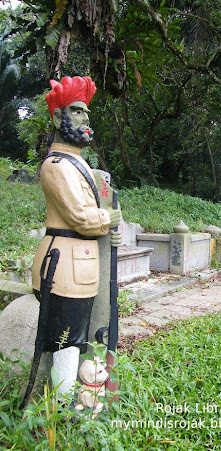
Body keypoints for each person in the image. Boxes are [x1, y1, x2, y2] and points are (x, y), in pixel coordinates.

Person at [30, 76, 121, 398]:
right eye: (78, 111)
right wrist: (109, 218)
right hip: (64, 265)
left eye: (86, 112)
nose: (86, 118)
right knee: (66, 339)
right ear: (58, 117)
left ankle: (74, 396)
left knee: (79, 334)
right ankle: (63, 401)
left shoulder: (77, 163)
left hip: (81, 264)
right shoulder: (56, 166)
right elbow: (82, 218)